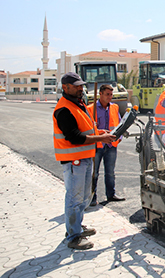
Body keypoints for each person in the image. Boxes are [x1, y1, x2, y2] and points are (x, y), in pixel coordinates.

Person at [53, 72, 116, 250]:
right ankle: (73, 236)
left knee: (83, 198)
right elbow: (75, 137)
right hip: (74, 160)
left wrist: (99, 132)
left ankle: (77, 227)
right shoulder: (64, 109)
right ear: (65, 87)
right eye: (76, 86)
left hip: (84, 157)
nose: (80, 88)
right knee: (74, 198)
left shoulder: (77, 104)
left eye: (81, 85)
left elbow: (86, 129)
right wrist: (100, 139)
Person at [86, 84, 125, 206]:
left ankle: (111, 194)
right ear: (100, 94)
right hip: (97, 146)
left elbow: (119, 125)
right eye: (107, 94)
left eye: (111, 94)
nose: (110, 97)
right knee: (94, 173)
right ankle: (92, 197)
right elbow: (88, 129)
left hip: (111, 146)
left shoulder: (114, 108)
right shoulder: (90, 109)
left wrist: (119, 139)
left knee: (110, 172)